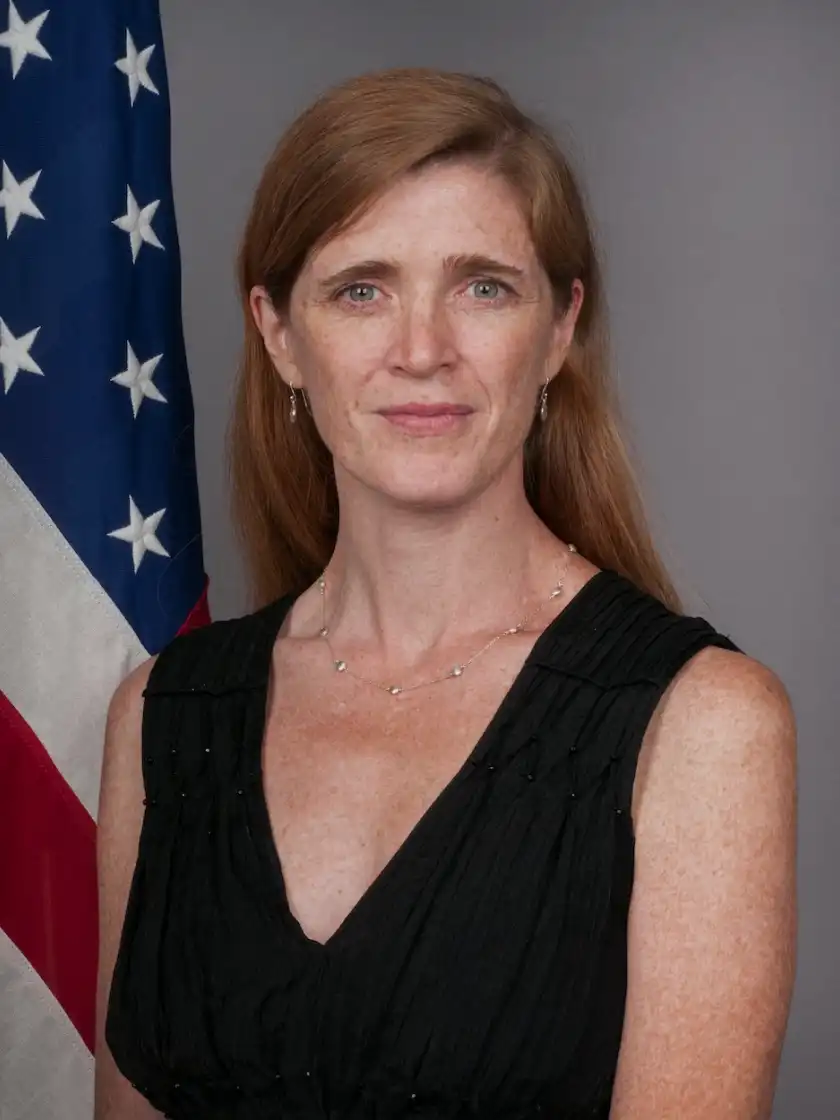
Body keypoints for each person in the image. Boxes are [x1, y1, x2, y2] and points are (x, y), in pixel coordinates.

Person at [95, 68, 797, 1120]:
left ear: (559, 329)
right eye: (361, 289)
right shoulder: (161, 713)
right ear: (280, 334)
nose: (422, 351)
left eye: (484, 286)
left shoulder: (701, 726)